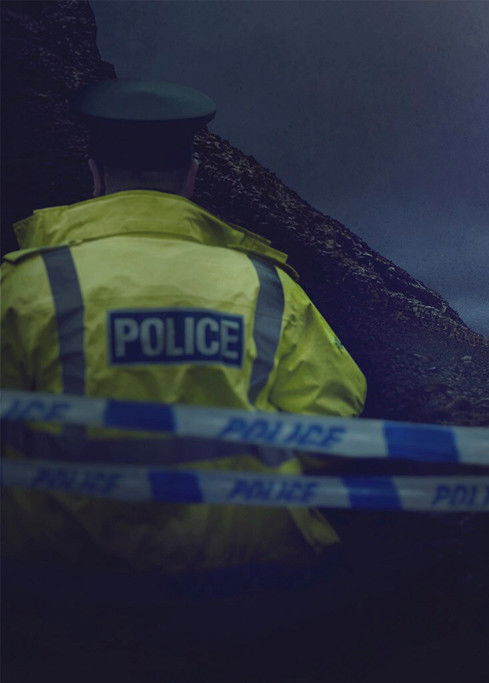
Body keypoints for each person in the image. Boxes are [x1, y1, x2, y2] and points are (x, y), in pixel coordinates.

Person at [0, 79, 367, 574]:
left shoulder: (23, 286)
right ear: (191, 177)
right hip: (245, 575)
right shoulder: (267, 285)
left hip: (66, 580)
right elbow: (330, 419)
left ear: (96, 177)